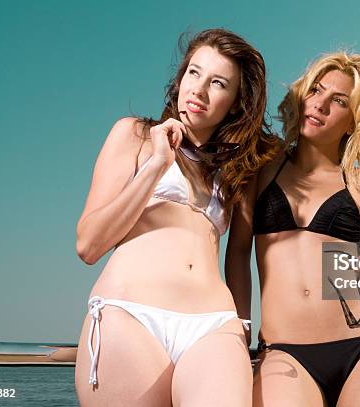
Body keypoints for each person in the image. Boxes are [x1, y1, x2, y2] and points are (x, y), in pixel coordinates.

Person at [74, 28, 281, 406]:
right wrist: (156, 165)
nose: (199, 90)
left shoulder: (239, 171)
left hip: (213, 325)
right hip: (129, 315)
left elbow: (239, 253)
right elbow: (89, 245)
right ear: (181, 77)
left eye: (218, 82)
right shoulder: (134, 135)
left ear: (236, 102)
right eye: (194, 73)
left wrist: (243, 326)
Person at [226, 51, 360, 406]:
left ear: (354, 119)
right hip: (284, 351)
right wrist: (240, 332)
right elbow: (236, 252)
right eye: (316, 91)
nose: (320, 105)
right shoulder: (262, 169)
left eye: (338, 101)